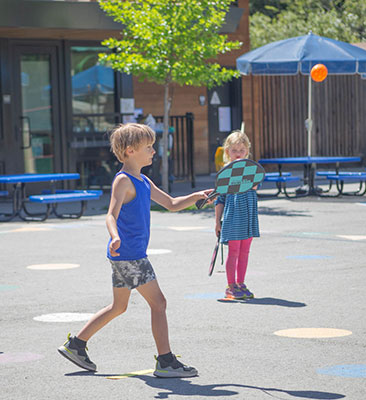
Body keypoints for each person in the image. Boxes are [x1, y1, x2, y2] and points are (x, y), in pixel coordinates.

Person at [58, 123, 211, 377]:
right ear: (130, 151)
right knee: (159, 303)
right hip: (129, 254)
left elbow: (171, 204)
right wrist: (115, 236)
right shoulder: (123, 181)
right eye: (148, 147)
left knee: (118, 307)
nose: (153, 151)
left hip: (125, 254)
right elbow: (110, 215)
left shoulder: (143, 180)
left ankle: (76, 344)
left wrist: (196, 196)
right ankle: (165, 361)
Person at [214, 131, 260, 300]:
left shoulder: (252, 170)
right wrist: (217, 222)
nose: (238, 153)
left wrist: (244, 170)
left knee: (245, 251)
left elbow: (254, 187)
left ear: (247, 151)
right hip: (233, 217)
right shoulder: (225, 173)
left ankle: (241, 283)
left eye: (242, 149)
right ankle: (231, 285)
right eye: (234, 150)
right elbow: (220, 199)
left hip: (248, 216)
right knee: (233, 251)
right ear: (227, 152)